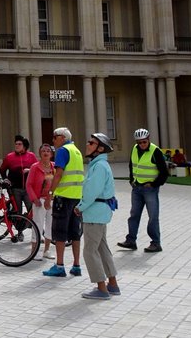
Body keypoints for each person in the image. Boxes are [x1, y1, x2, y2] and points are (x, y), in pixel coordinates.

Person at [76, 133, 121, 300]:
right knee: (102, 249)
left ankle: (101, 288)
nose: (87, 144)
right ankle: (113, 284)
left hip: (95, 213)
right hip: (99, 212)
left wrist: (80, 207)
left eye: (91, 143)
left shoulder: (99, 166)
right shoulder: (100, 164)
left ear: (100, 148)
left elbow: (91, 191)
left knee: (89, 251)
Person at [117, 128, 168, 253]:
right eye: (139, 142)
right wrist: (131, 179)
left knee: (153, 217)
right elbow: (131, 165)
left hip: (150, 189)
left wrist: (154, 184)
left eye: (144, 142)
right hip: (137, 188)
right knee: (134, 215)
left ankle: (156, 243)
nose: (142, 145)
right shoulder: (134, 149)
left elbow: (164, 172)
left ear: (148, 140)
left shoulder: (155, 151)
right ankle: (131, 241)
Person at [43, 126, 84, 278]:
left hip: (63, 197)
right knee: (75, 233)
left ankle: (59, 265)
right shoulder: (77, 151)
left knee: (59, 232)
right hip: (76, 197)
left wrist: (50, 194)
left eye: (54, 137)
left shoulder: (63, 151)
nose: (53, 140)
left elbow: (58, 174)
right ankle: (76, 265)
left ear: (62, 137)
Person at [0, 134, 38, 241]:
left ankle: (37, 231)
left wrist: (30, 171)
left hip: (28, 189)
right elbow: (2, 169)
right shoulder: (9, 157)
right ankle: (20, 232)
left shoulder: (31, 156)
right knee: (18, 212)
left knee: (32, 210)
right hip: (14, 189)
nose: (17, 145)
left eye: (19, 144)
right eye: (16, 144)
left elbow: (37, 170)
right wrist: (5, 178)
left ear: (24, 146)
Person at [27, 144, 56, 259]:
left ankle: (47, 250)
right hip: (39, 200)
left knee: (50, 225)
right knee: (37, 225)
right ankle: (34, 251)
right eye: (43, 151)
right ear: (40, 154)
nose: (46, 152)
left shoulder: (54, 167)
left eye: (48, 151)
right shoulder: (35, 167)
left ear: (51, 154)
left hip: (51, 200)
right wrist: (34, 199)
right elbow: (28, 185)